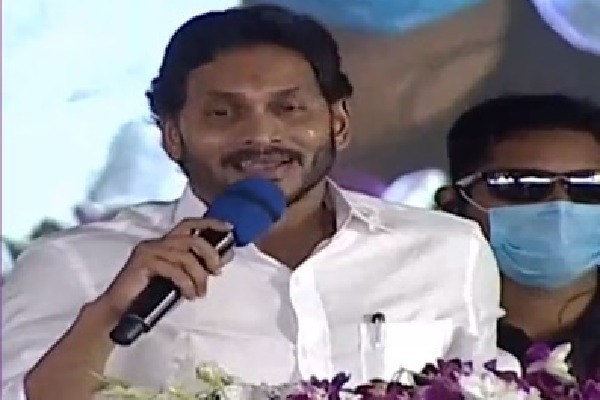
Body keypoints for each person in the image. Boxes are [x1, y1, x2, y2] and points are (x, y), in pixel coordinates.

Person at [2, 5, 502, 400]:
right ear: (172, 136)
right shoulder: (72, 265)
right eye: (223, 113)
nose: (262, 135)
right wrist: (108, 314)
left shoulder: (448, 251)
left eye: (290, 108)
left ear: (338, 123)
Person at [435, 94, 600, 380]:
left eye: (589, 186)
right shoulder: (417, 322)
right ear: (454, 202)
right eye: (522, 185)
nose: (560, 205)